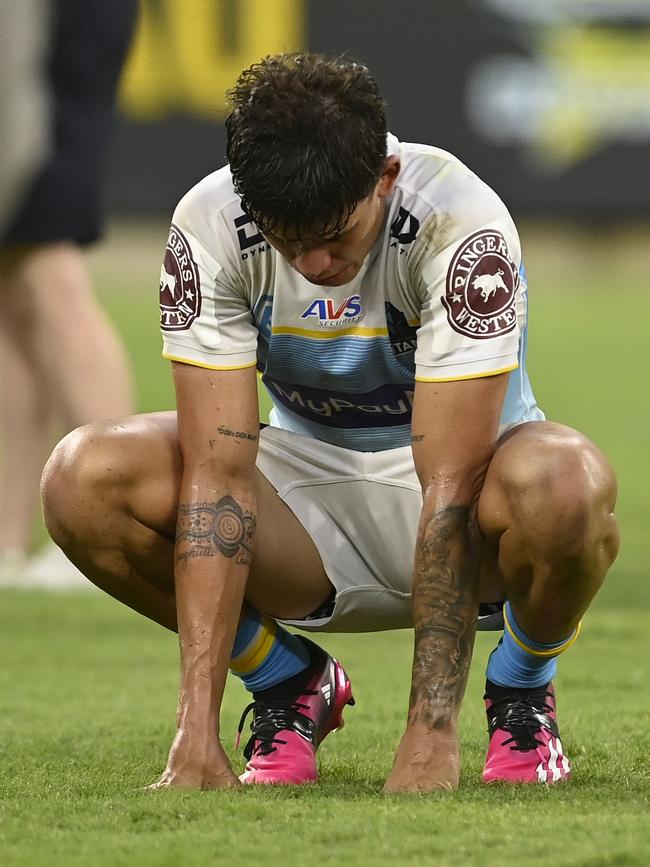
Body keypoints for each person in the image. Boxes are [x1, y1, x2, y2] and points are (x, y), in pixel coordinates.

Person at [41, 53, 619, 792]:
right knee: (84, 479)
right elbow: (218, 474)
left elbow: (451, 483)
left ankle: (520, 686)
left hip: (472, 505)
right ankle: (286, 679)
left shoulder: (459, 222)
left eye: (335, 236)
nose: (313, 263)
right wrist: (195, 734)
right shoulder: (211, 223)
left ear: (382, 177)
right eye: (289, 240)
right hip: (305, 505)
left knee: (567, 482)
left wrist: (430, 733)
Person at [0, 0, 137, 587]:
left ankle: (118, 525)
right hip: (42, 67)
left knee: (50, 273)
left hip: (38, 77)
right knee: (13, 295)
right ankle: (6, 540)